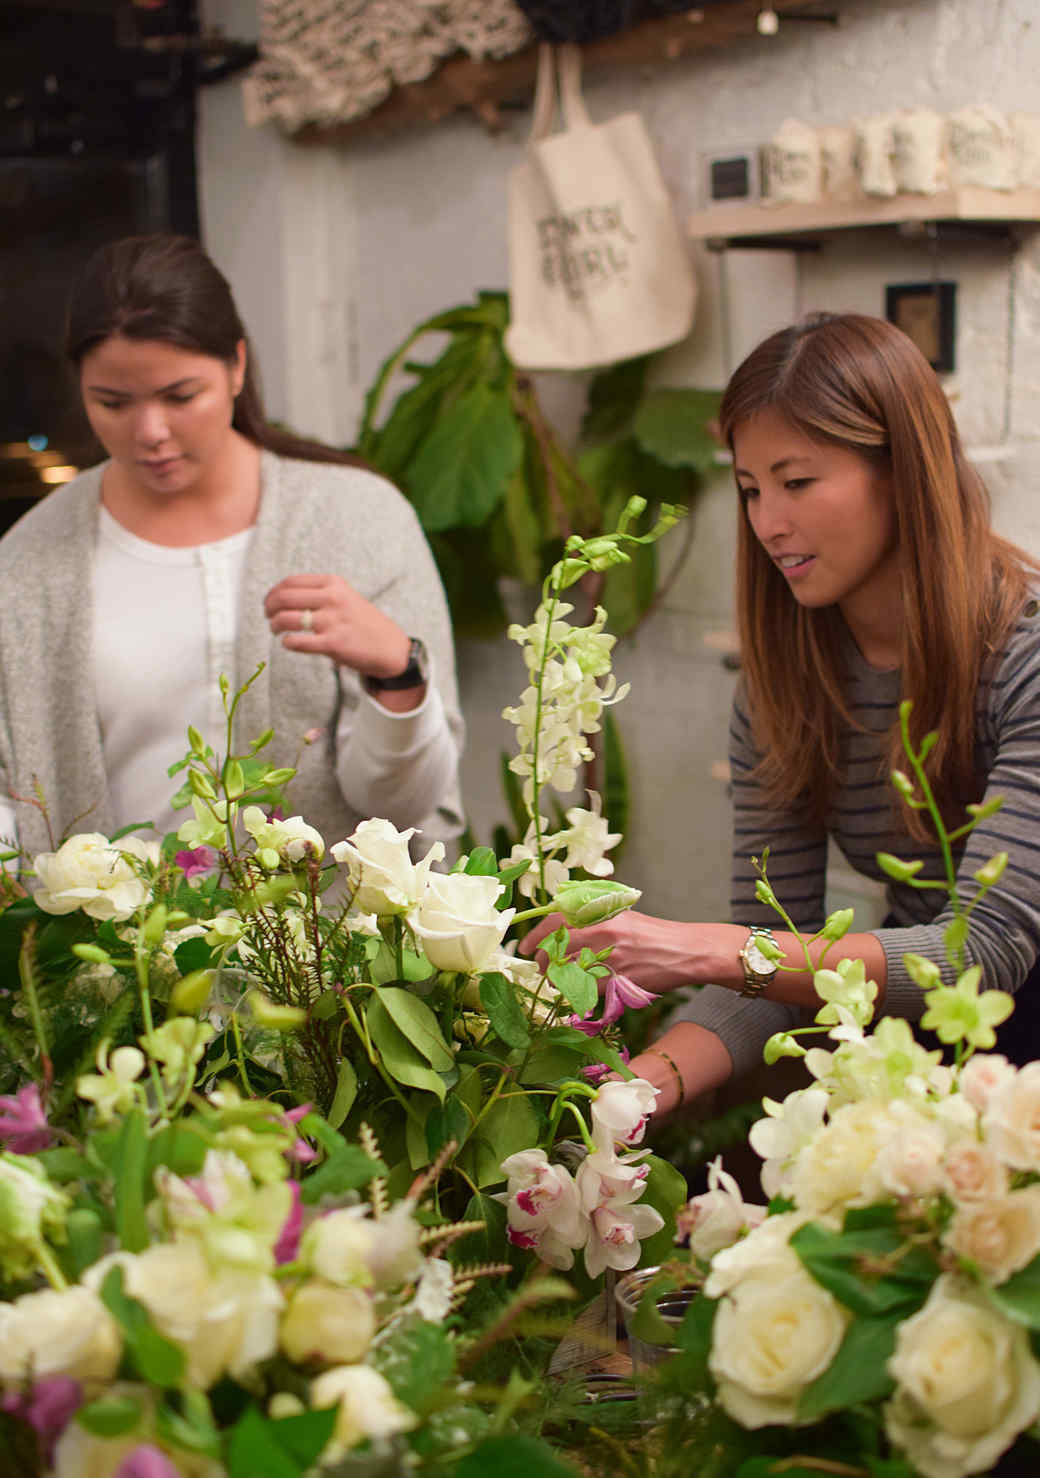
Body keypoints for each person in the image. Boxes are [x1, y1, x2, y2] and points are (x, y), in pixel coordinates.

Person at [524, 310, 1040, 1111]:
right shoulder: (786, 685)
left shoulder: (1026, 657)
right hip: (929, 1057)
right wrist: (624, 1101)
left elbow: (981, 949)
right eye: (750, 489)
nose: (768, 522)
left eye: (797, 482)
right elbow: (770, 977)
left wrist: (702, 947)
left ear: (902, 472)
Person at [0, 233, 464, 862]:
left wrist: (396, 673)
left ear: (237, 366)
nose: (150, 432)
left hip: (330, 952)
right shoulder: (31, 564)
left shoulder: (358, 520)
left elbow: (402, 811)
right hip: (115, 956)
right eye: (111, 402)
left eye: (180, 396)